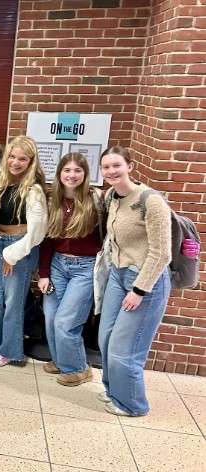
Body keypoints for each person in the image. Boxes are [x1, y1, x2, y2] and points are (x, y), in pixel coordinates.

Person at [98, 145, 171, 417]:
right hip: (118, 274)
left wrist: (139, 289)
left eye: (117, 165)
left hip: (144, 281)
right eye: (106, 167)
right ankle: (114, 392)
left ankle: (133, 404)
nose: (111, 171)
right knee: (105, 339)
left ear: (130, 166)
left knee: (124, 348)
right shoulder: (110, 196)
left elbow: (162, 252)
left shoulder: (150, 200)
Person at [37, 153, 103, 386]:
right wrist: (43, 273)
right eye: (67, 170)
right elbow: (46, 239)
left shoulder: (96, 200)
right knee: (52, 317)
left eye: (77, 170)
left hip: (84, 268)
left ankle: (79, 368)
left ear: (85, 174)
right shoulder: (52, 199)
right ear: (59, 173)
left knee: (66, 321)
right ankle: (61, 360)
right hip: (57, 264)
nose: (72, 175)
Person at [0, 136, 47, 367]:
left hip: (20, 245)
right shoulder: (1, 181)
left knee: (12, 302)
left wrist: (12, 254)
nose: (16, 162)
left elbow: (37, 232)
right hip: (0, 242)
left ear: (31, 161)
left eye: (23, 159)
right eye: (12, 156)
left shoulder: (34, 189)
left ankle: (10, 351)